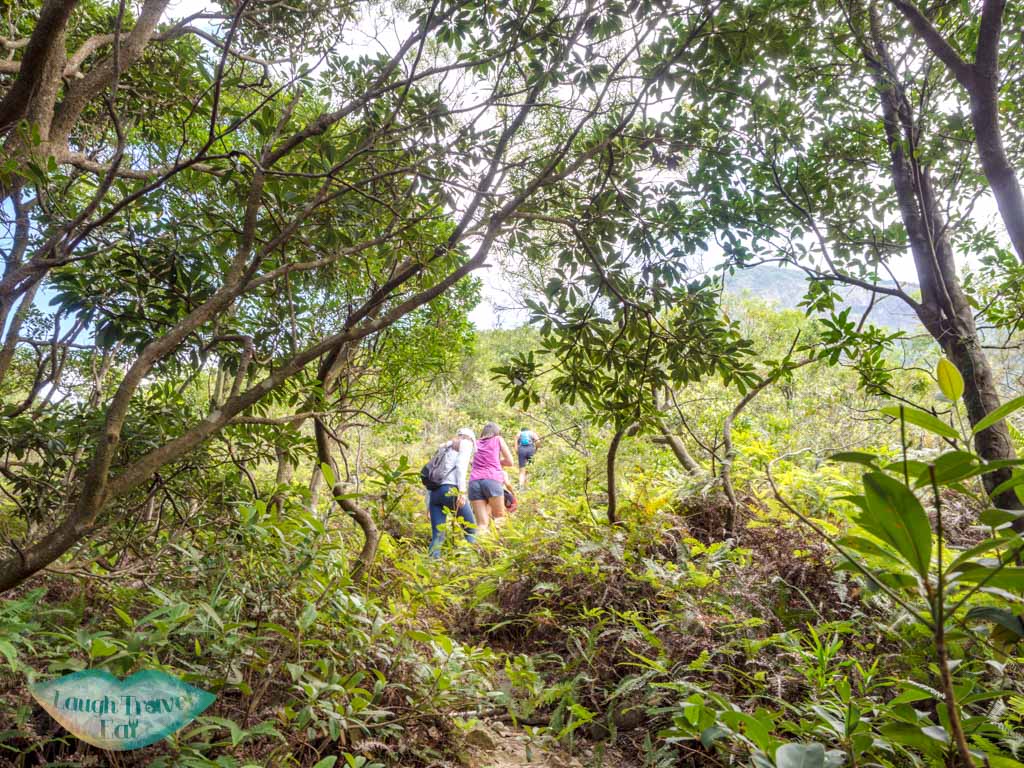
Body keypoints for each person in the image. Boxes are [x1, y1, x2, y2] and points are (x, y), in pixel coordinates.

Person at [428, 427, 476, 558]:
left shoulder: (444, 447)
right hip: (451, 490)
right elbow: (461, 466)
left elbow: (431, 474)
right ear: (471, 439)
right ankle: (473, 562)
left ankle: (431, 565)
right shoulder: (466, 444)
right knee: (470, 530)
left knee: (437, 536)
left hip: (435, 493)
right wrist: (462, 492)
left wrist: (428, 504)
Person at [468, 422, 515, 533]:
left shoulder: (475, 443)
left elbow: (471, 461)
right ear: (496, 432)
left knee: (481, 524)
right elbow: (510, 462)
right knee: (499, 518)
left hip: (474, 482)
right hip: (492, 480)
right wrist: (496, 461)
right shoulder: (498, 439)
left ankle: (479, 544)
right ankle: (498, 543)